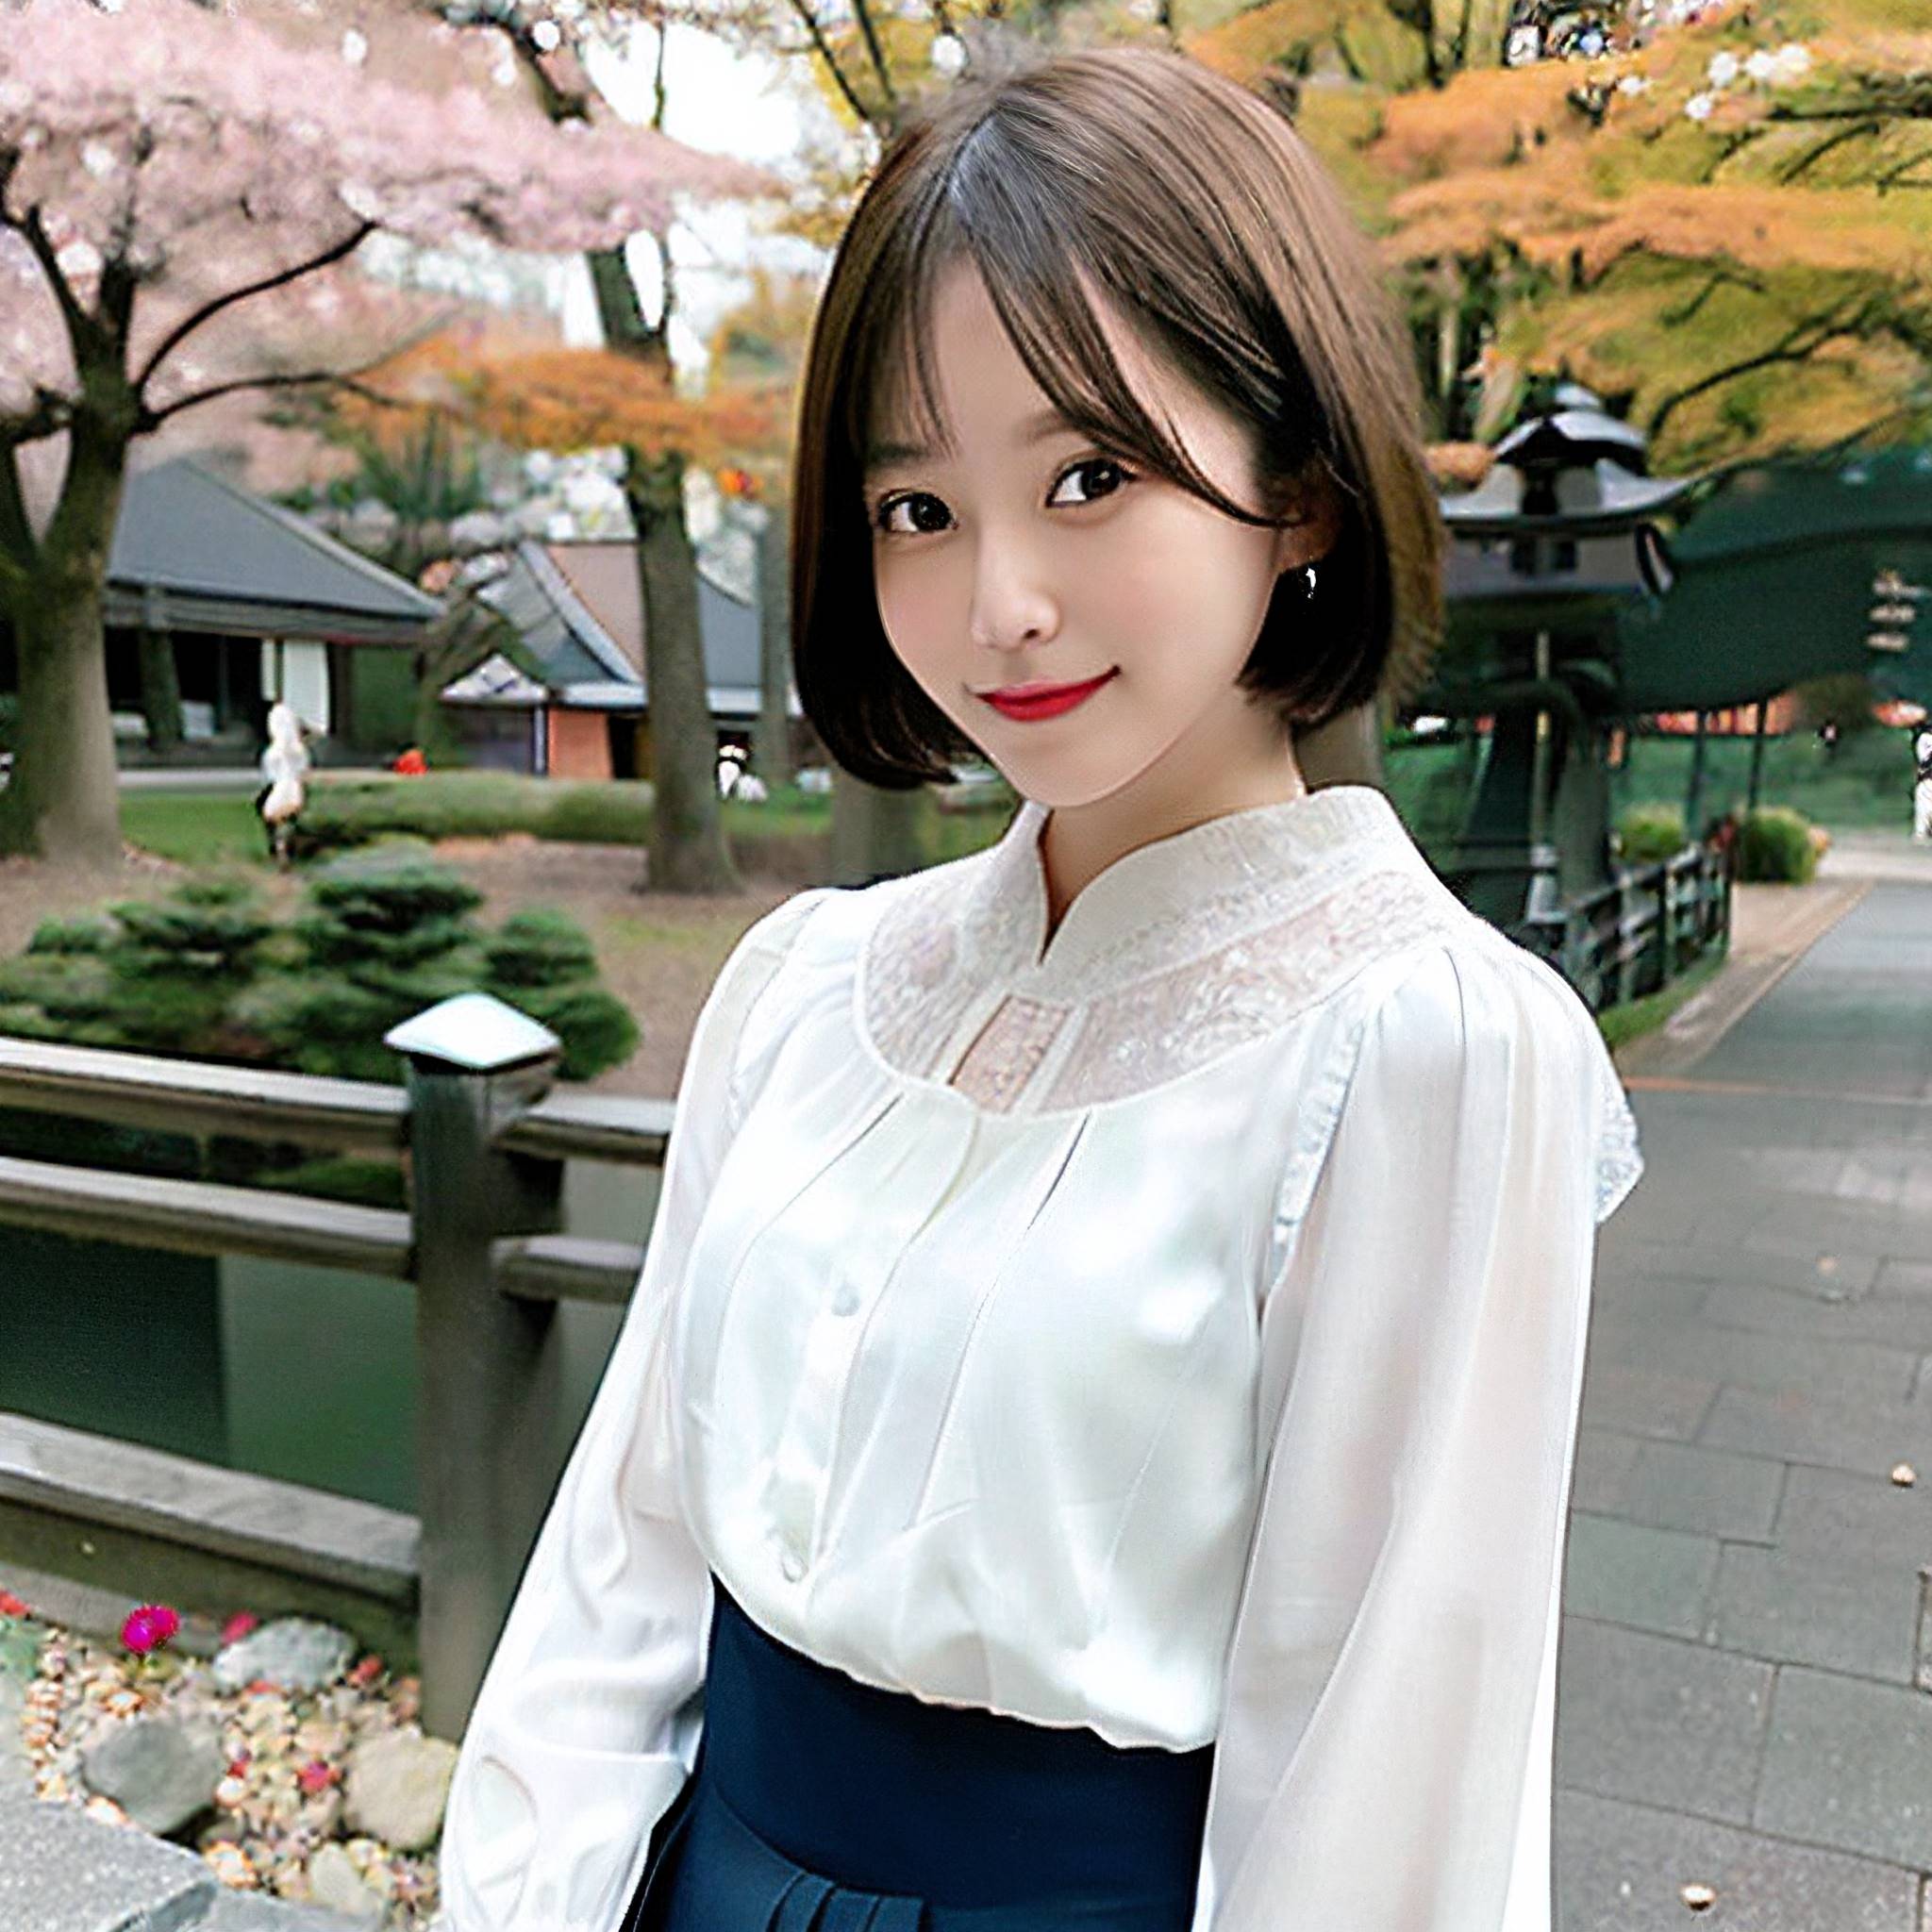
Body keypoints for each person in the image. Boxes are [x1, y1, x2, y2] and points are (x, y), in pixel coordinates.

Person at [435, 42, 1644, 1932]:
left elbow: (1386, 1780)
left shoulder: (1424, 1051)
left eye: (1087, 476)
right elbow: (629, 1557)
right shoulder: (809, 991)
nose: (997, 600)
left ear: (1302, 492)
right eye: (917, 507)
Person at [256, 701, 309, 866]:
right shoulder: (299, 750)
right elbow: (303, 772)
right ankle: (287, 849)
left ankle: (279, 849)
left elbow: (269, 776)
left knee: (271, 817)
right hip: (294, 791)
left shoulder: (272, 753)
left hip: (279, 790)